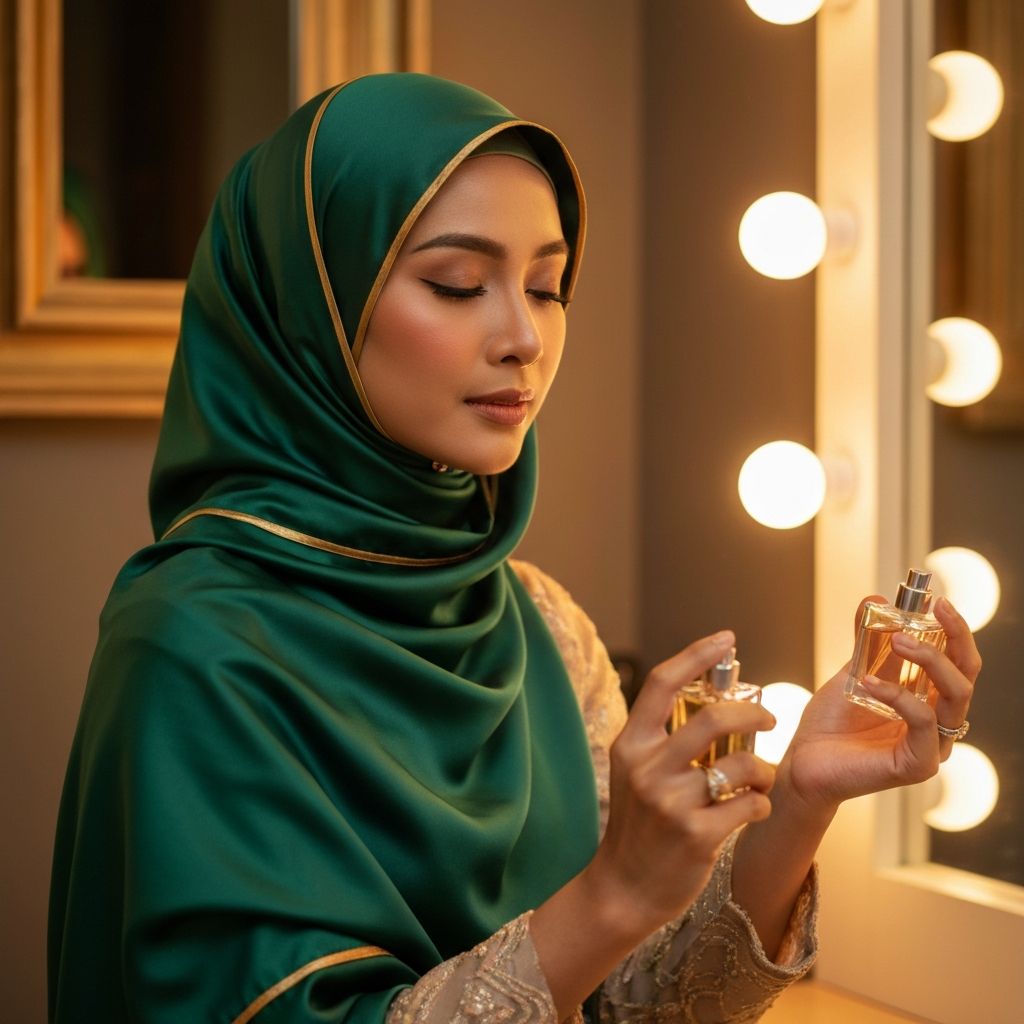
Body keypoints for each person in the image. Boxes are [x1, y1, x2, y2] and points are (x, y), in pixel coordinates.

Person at [48, 73, 981, 1024]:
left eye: (547, 284)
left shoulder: (540, 624)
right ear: (312, 311)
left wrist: (797, 806)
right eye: (457, 284)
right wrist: (613, 892)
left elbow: (633, 1005)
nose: (526, 335)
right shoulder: (192, 645)